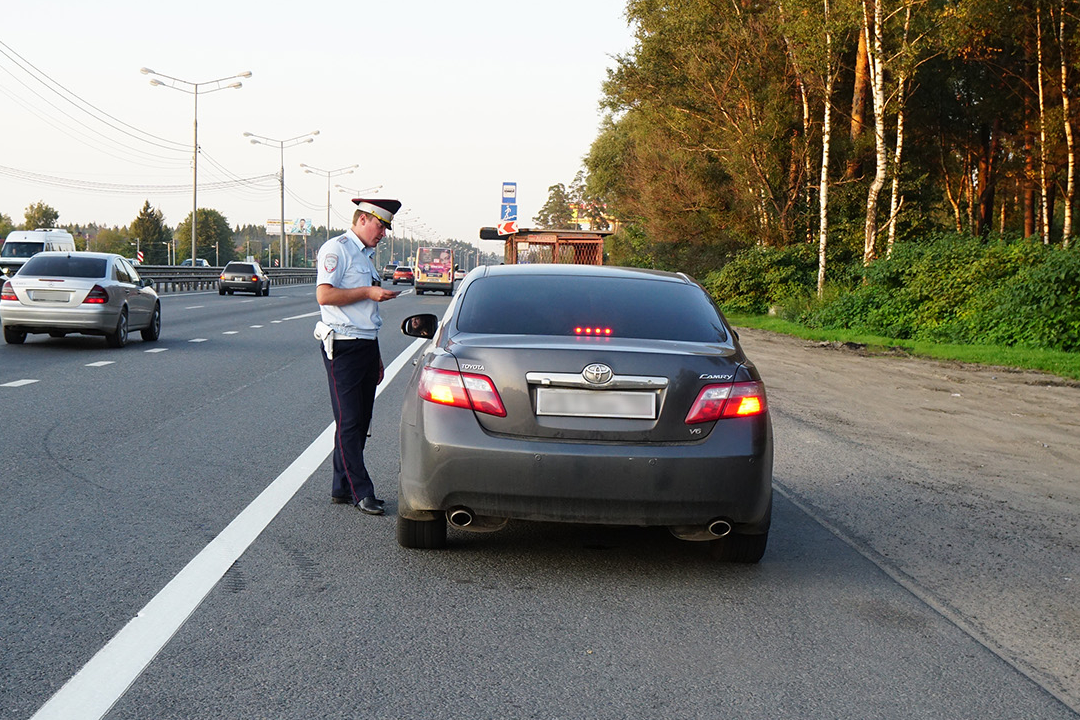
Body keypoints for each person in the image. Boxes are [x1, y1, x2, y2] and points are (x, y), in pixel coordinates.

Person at [315, 197, 402, 515]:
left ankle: (341, 486)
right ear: (363, 219)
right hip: (343, 345)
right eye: (380, 226)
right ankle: (360, 491)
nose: (382, 234)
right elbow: (324, 294)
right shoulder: (336, 249)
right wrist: (367, 292)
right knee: (350, 421)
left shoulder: (365, 255)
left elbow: (367, 314)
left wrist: (376, 355)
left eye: (385, 228)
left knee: (359, 421)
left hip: (366, 343)